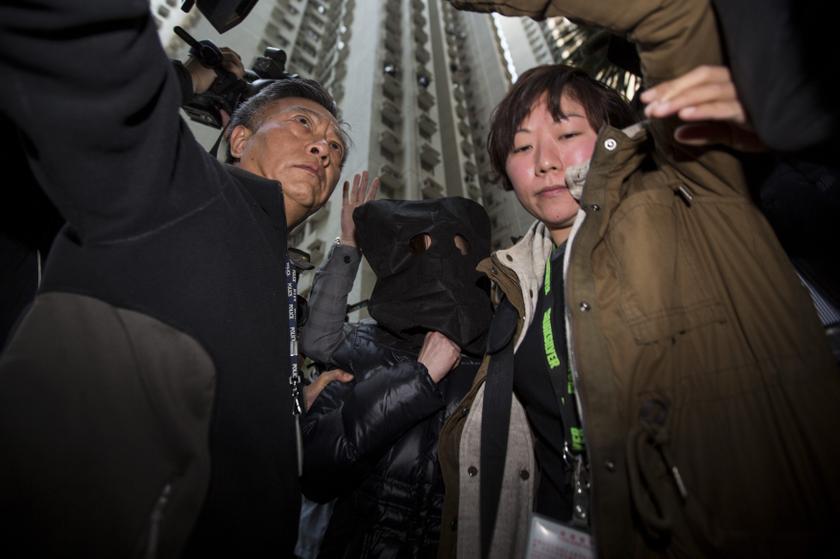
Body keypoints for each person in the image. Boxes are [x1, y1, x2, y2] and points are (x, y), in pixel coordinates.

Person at [438, 1, 840, 558]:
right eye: (522, 147)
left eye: (566, 133)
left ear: (613, 133)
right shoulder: (511, 284)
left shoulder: (686, 191)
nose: (545, 162)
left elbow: (674, 15)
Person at [0, 2, 348, 557]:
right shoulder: (177, 186)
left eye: (335, 148)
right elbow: (89, 59)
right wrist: (195, 76)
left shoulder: (274, 269)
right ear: (237, 138)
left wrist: (290, 410)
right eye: (304, 123)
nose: (323, 149)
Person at [299, 174, 493, 558]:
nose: (440, 262)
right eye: (422, 249)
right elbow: (316, 470)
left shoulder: (492, 364)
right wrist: (416, 379)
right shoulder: (370, 343)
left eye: (456, 249)